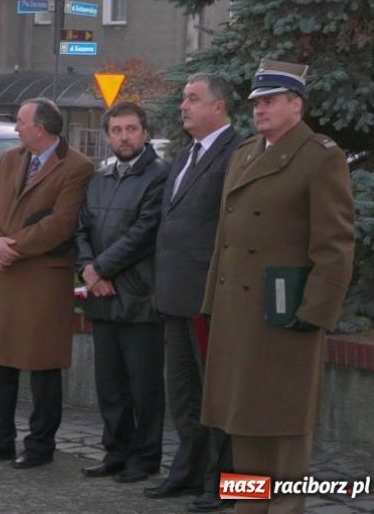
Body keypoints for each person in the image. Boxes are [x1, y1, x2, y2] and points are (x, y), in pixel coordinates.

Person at [201, 59, 355, 514]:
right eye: (256, 102)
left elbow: (335, 243)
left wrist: (314, 312)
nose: (260, 109)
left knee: (284, 427)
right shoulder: (245, 153)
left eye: (270, 101)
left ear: (296, 104)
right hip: (238, 314)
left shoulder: (320, 156)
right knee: (243, 424)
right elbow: (224, 239)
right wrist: (213, 301)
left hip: (286, 317)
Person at [0, 97, 94, 469]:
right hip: (3, 275)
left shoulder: (77, 167)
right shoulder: (9, 159)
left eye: (21, 121)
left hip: (41, 277)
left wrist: (11, 246)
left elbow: (60, 223)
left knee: (42, 365)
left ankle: (40, 446)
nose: (16, 128)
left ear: (41, 127)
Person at [144, 74, 241, 511]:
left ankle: (224, 482)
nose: (183, 106)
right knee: (182, 392)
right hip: (175, 295)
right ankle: (186, 471)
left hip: (208, 296)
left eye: (192, 99)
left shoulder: (236, 153)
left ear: (218, 107)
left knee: (213, 394)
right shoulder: (186, 154)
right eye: (183, 98)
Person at [74, 102, 170, 483]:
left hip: (140, 297)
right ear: (107, 135)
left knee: (144, 386)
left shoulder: (160, 177)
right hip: (102, 296)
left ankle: (145, 459)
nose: (124, 136)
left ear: (145, 133)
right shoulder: (99, 178)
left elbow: (144, 234)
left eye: (131, 129)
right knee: (109, 385)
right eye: (117, 130)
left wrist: (100, 268)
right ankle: (115, 452)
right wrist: (87, 269)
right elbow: (80, 229)